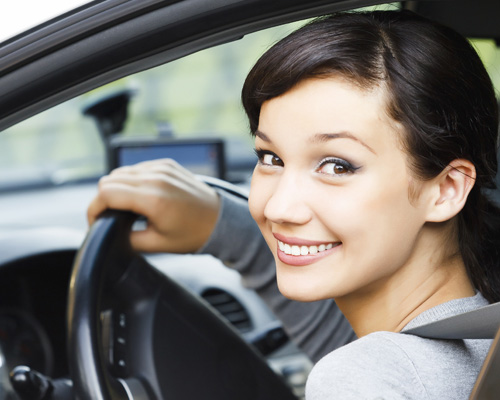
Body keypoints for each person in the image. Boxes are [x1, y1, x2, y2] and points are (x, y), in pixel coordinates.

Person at [88, 10, 500, 399]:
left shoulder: (364, 378)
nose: (279, 207)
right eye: (271, 158)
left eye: (337, 166)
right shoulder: (483, 339)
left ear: (446, 188)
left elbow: (370, 370)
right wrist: (221, 227)